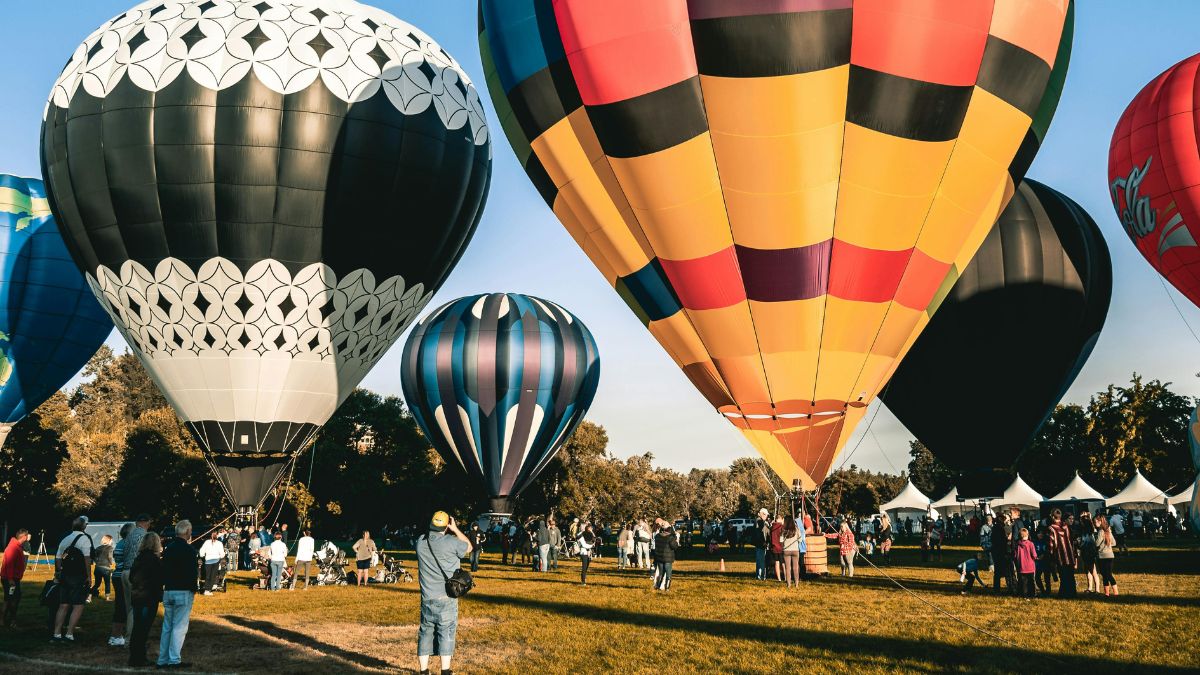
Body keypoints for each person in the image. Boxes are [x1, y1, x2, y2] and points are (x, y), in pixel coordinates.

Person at [416, 511, 471, 675]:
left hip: (427, 597)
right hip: (447, 597)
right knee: (446, 632)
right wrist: (455, 529)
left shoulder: (420, 542)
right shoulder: (451, 542)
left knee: (425, 633)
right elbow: (468, 546)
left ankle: (424, 671)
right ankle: (445, 671)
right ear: (446, 525)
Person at [158, 520, 196, 668]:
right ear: (187, 532)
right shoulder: (189, 551)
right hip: (183, 590)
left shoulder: (168, 549)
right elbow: (192, 573)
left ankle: (163, 659)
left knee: (167, 626)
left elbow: (163, 570)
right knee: (179, 627)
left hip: (169, 590)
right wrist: (194, 588)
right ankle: (174, 659)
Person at [53, 516, 94, 642]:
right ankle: (69, 633)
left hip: (65, 575)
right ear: (84, 526)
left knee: (63, 605)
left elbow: (58, 557)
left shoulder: (65, 539)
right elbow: (87, 560)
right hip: (78, 576)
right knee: (78, 605)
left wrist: (59, 571)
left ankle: (57, 633)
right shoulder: (85, 539)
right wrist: (89, 576)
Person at [128, 532, 163, 668]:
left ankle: (135, 657)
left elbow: (132, 577)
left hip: (137, 596)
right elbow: (160, 578)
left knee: (137, 628)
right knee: (143, 629)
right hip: (148, 597)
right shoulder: (154, 560)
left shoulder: (138, 558)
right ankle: (138, 658)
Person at [118, 514, 151, 641]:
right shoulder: (145, 536)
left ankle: (129, 636)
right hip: (136, 573)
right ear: (146, 522)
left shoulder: (129, 535)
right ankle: (132, 638)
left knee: (129, 608)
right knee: (137, 608)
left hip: (125, 572)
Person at [1, 528, 29, 629]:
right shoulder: (13, 547)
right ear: (24, 537)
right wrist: (10, 580)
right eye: (27, 536)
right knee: (12, 599)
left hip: (12, 578)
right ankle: (11, 621)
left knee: (9, 599)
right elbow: (9, 565)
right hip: (10, 579)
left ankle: (5, 620)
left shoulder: (17, 546)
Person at [1047, 509, 1077, 598]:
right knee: (1070, 576)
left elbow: (1051, 544)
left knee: (1063, 577)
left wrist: (1050, 555)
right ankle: (1072, 593)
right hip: (1070, 555)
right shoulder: (1066, 526)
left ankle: (1064, 594)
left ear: (1052, 517)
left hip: (1060, 556)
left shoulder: (1051, 528)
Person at [1095, 515, 1119, 597]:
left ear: (1100, 522)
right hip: (1110, 555)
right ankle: (1114, 592)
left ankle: (1108, 593)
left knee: (1105, 575)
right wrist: (1107, 544)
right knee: (1108, 574)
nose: (1095, 524)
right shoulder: (1108, 530)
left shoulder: (1100, 531)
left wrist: (1101, 544)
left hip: (1102, 556)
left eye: (1096, 522)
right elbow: (1114, 543)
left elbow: (1097, 543)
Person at [652, 523, 679, 591]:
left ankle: (658, 586)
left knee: (661, 573)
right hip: (668, 558)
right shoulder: (670, 537)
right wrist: (676, 539)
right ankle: (667, 588)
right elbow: (674, 546)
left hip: (659, 557)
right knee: (668, 574)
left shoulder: (657, 536)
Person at [1012, 527, 1037, 600]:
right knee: (1031, 582)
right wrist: (1036, 558)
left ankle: (1024, 595)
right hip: (1030, 566)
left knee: (1023, 583)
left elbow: (1015, 555)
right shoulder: (1031, 544)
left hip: (1021, 567)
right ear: (1027, 535)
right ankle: (1032, 595)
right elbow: (1034, 555)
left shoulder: (1017, 545)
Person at [1077, 514, 1099, 594]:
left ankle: (1097, 589)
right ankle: (1089, 588)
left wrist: (1078, 544)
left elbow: (1084, 544)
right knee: (1088, 571)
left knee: (1093, 572)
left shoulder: (1087, 533)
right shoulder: (1088, 532)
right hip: (1087, 554)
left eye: (1081, 522)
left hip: (1089, 554)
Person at [780, 515, 803, 588]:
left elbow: (780, 540)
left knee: (788, 568)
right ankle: (796, 584)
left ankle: (789, 584)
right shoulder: (796, 529)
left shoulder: (783, 530)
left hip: (786, 550)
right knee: (795, 568)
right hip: (795, 550)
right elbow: (800, 540)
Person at [991, 514, 1012, 594]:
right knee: (1006, 570)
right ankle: (1008, 587)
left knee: (997, 572)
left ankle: (996, 588)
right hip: (1002, 552)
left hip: (996, 551)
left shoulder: (995, 528)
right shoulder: (1000, 528)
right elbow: (1002, 540)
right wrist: (1007, 539)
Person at [198, 531, 224, 596]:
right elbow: (222, 554)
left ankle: (207, 589)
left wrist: (202, 555)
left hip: (208, 561)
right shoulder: (219, 543)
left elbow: (201, 551)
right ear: (217, 536)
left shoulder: (206, 542)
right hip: (216, 560)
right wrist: (221, 556)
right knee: (212, 576)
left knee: (207, 576)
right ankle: (208, 590)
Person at [91, 534, 115, 600]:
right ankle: (107, 598)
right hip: (106, 568)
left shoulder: (98, 548)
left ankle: (89, 595)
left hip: (98, 567)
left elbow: (94, 557)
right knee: (107, 583)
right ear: (109, 540)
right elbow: (110, 556)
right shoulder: (110, 548)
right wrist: (111, 562)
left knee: (97, 584)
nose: (112, 542)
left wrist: (97, 562)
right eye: (111, 540)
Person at [752, 509, 770, 580]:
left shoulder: (760, 521)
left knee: (759, 561)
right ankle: (762, 576)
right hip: (761, 544)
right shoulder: (759, 522)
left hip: (759, 544)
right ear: (762, 514)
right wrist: (764, 542)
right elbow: (760, 533)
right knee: (762, 561)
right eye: (765, 514)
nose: (767, 516)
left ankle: (759, 576)